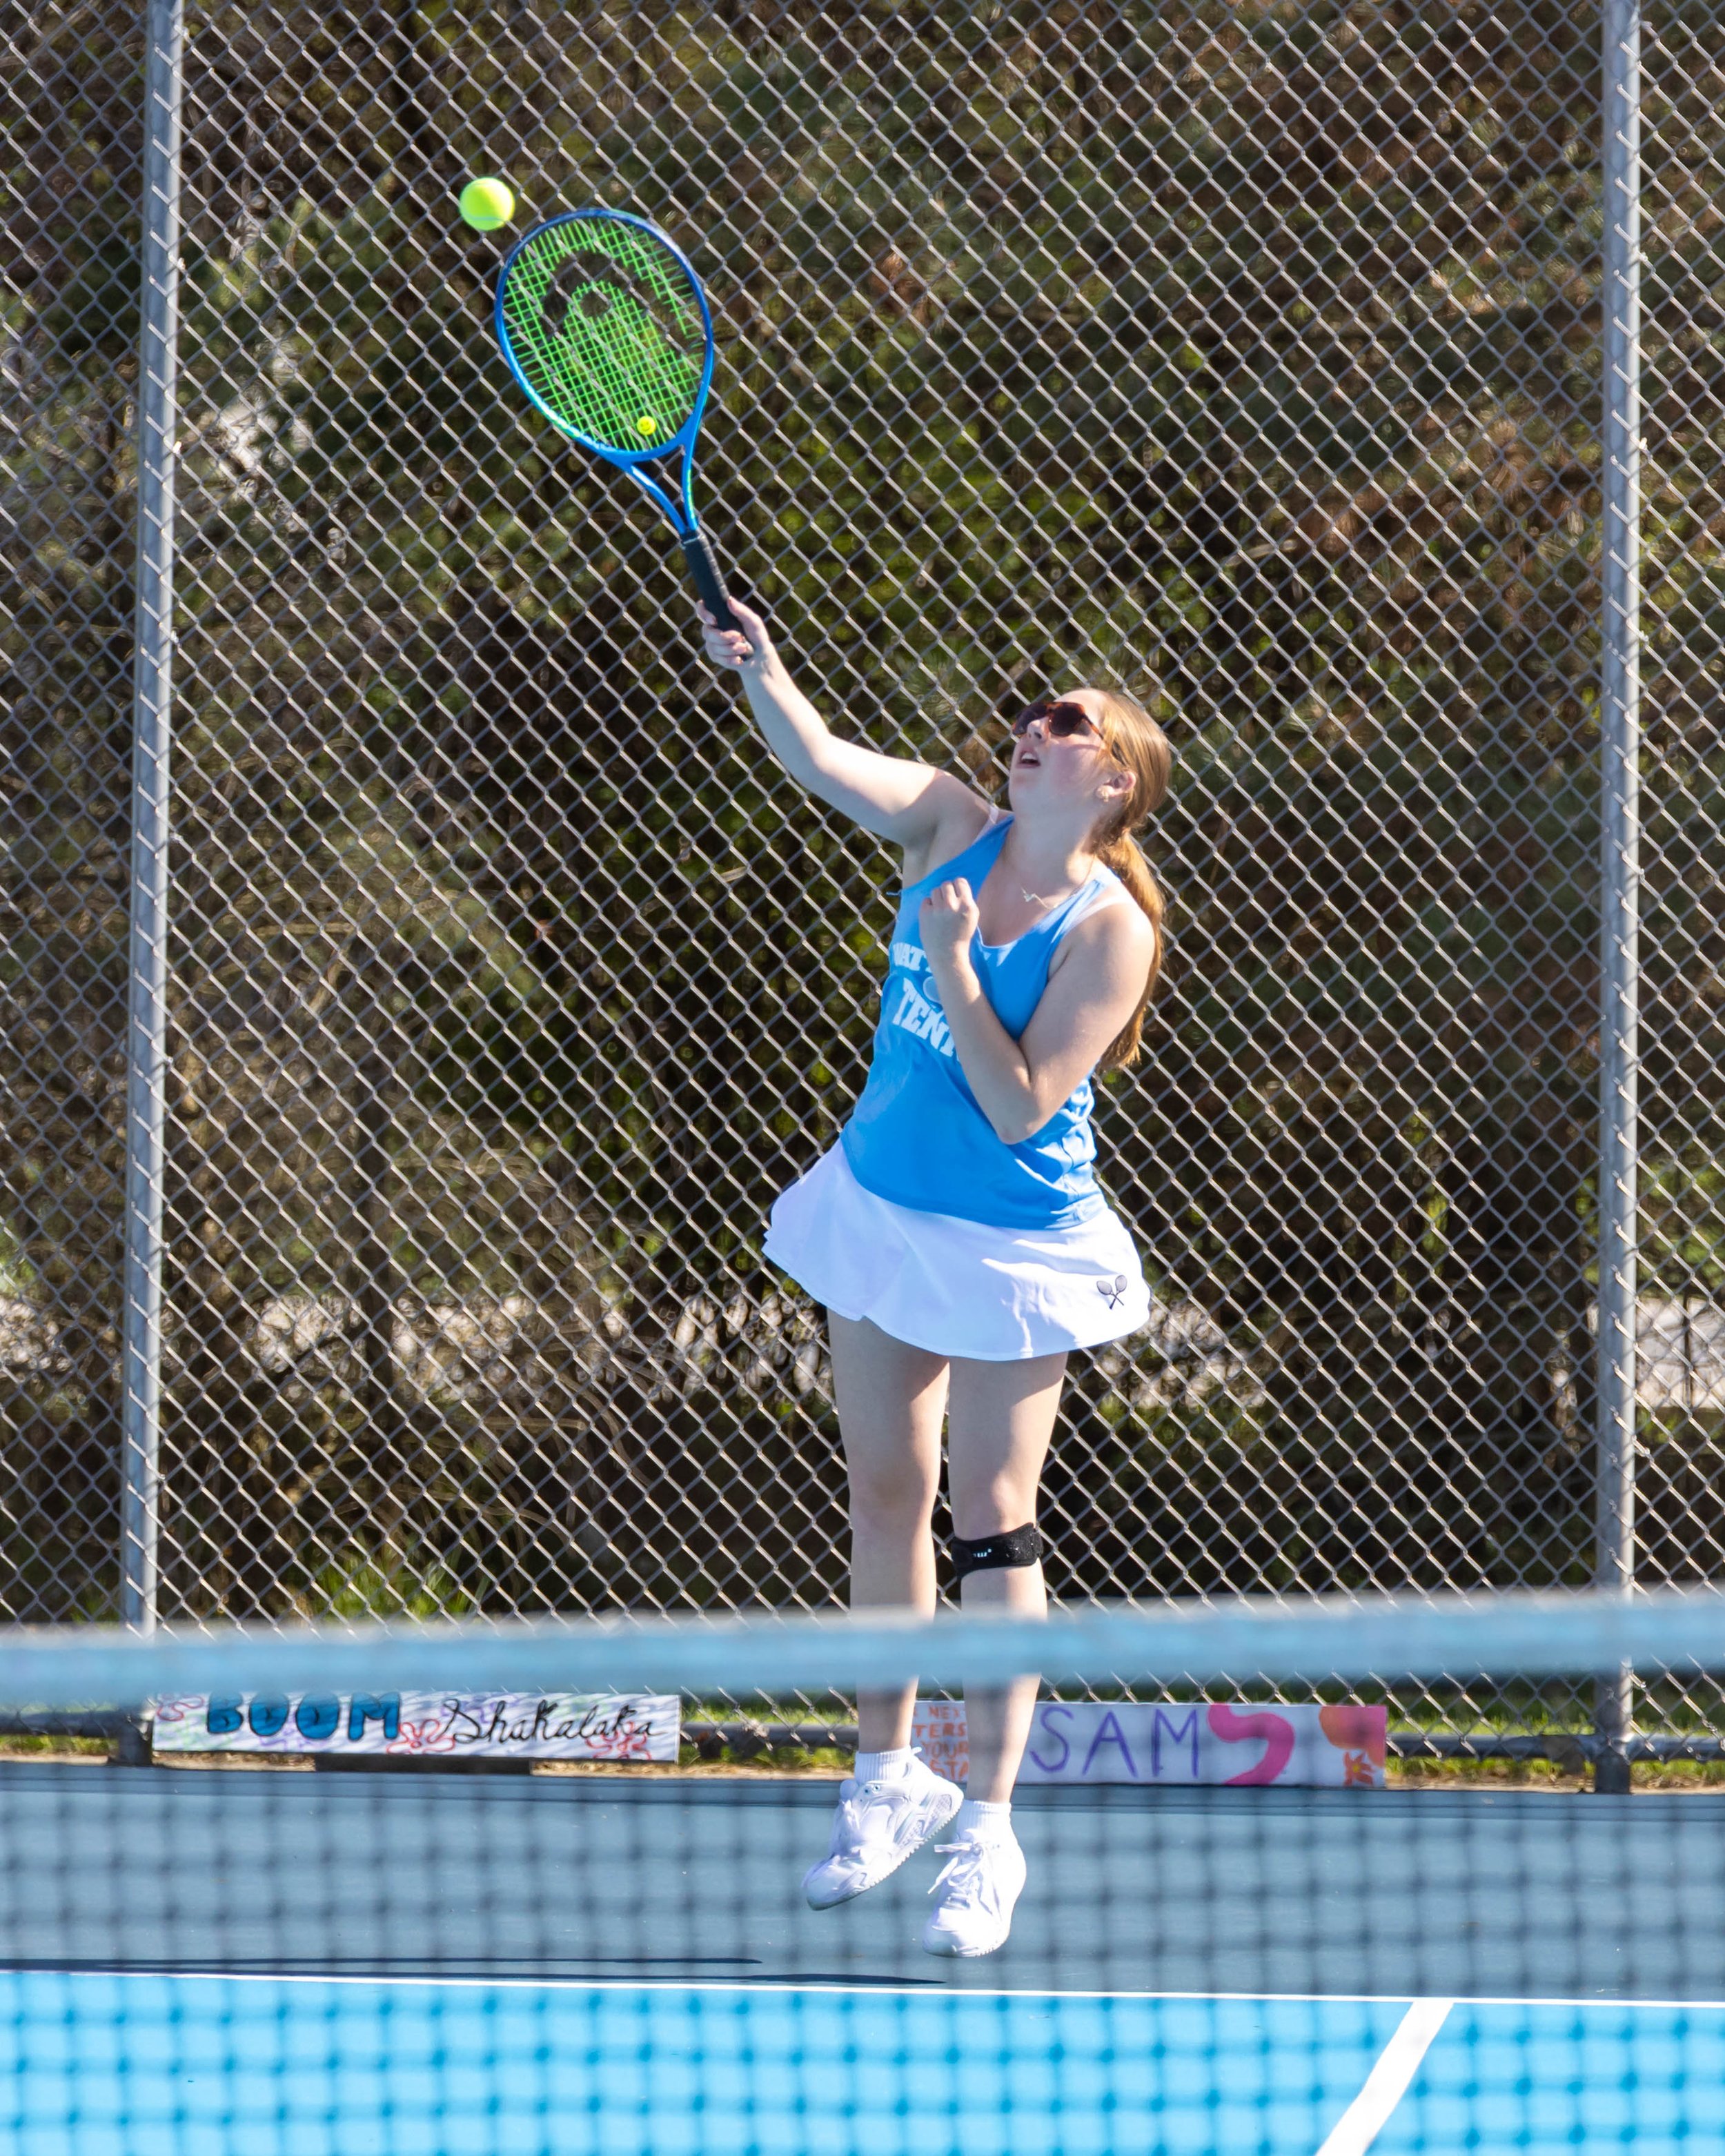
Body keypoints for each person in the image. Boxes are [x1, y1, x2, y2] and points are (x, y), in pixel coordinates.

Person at [700, 598, 1170, 1958]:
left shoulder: (1105, 928)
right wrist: (767, 668)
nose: (1036, 729)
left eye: (1068, 724)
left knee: (993, 1519)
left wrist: (960, 966)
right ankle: (882, 1782)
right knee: (884, 1496)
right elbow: (817, 756)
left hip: (1014, 1243)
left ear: (1116, 777)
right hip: (879, 1208)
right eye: (1033, 714)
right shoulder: (949, 825)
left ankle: (985, 1826)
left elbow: (1021, 1104)